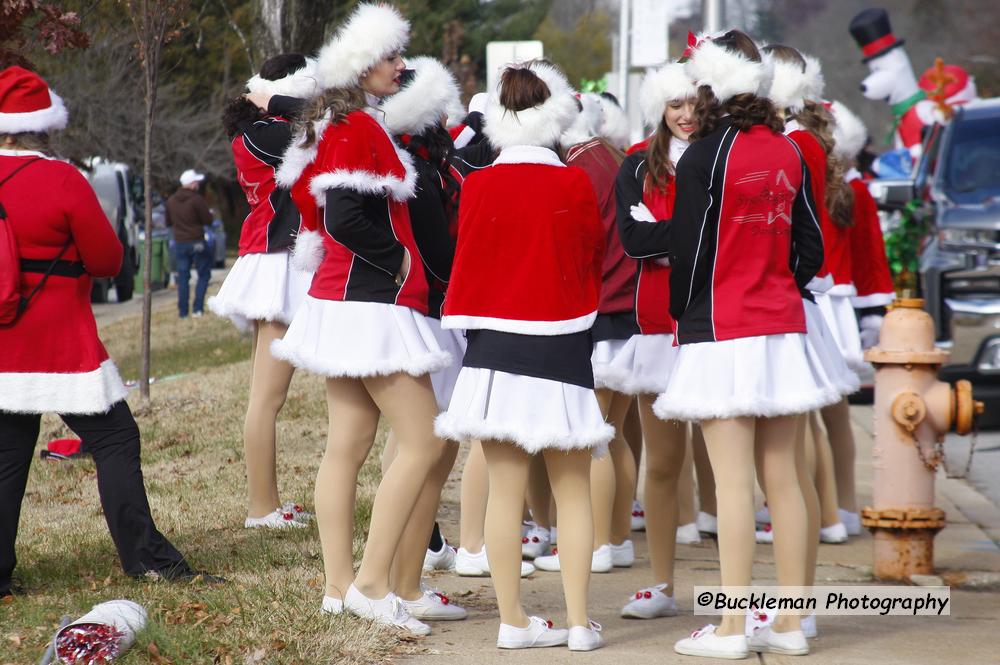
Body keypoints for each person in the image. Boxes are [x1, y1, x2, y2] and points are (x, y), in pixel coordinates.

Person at [646, 31, 836, 659]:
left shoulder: (704, 155)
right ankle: (791, 623)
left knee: (732, 487)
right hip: (780, 328)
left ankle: (731, 628)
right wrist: (777, 282)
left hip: (722, 329)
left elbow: (690, 252)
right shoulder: (785, 149)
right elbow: (810, 246)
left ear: (711, 85)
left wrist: (684, 312)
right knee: (783, 478)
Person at [271, 3, 452, 636]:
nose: (401, 68)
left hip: (343, 297)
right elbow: (346, 218)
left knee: (345, 447)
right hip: (365, 300)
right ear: (361, 66)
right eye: (392, 58)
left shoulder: (337, 123)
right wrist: (400, 260)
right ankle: (371, 585)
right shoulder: (353, 128)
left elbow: (325, 212)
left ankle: (338, 585)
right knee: (425, 440)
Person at [0, 65, 215, 598]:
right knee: (117, 440)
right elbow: (108, 260)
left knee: (7, 456)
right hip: (60, 342)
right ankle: (146, 559)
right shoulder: (63, 179)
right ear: (45, 127)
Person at [435, 60, 610, 651]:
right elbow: (593, 255)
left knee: (504, 496)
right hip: (562, 343)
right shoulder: (573, 182)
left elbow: (468, 261)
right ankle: (581, 624)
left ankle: (513, 622)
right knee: (575, 491)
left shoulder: (479, 182)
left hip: (494, 349)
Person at [378, 54, 470, 621]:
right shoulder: (413, 163)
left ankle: (406, 581)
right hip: (428, 311)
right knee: (424, 451)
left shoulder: (431, 161)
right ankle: (395, 583)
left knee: (432, 451)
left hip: (437, 309)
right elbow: (436, 249)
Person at [212, 54, 318, 530]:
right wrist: (280, 99)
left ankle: (267, 503)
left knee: (265, 395)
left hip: (281, 257)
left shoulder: (267, 128)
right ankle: (261, 508)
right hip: (277, 261)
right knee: (266, 397)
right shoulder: (265, 131)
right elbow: (331, 121)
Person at [610, 60, 697, 620]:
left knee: (745, 468)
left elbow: (717, 239)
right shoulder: (637, 163)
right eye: (675, 105)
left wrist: (675, 239)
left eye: (694, 103)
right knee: (661, 464)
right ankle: (663, 585)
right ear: (659, 108)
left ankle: (773, 599)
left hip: (716, 323)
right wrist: (686, 237)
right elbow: (634, 239)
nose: (687, 115)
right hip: (656, 325)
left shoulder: (723, 153)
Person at [166, 168, 213, 318]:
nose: (198, 185)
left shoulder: (171, 201)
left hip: (180, 243)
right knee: (203, 275)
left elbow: (168, 222)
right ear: (192, 184)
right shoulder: (197, 200)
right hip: (197, 241)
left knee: (183, 277)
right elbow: (207, 220)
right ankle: (198, 309)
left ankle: (183, 311)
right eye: (196, 182)